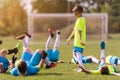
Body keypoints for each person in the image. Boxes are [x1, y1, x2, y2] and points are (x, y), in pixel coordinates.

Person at [66, 5, 86, 69]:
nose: (74, 14)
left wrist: (80, 40)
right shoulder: (80, 20)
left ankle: (81, 67)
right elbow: (75, 30)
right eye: (74, 13)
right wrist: (69, 38)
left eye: (75, 13)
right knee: (75, 53)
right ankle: (80, 66)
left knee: (77, 53)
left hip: (79, 41)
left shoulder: (80, 20)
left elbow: (79, 31)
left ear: (80, 12)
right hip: (77, 41)